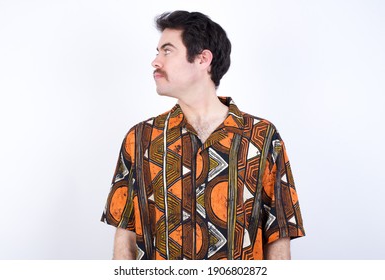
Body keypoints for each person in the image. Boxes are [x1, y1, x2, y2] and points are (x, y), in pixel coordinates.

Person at [101, 10, 305, 260]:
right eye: (157, 52)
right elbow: (126, 234)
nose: (156, 61)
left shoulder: (262, 137)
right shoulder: (141, 138)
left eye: (167, 50)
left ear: (202, 59)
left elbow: (278, 234)